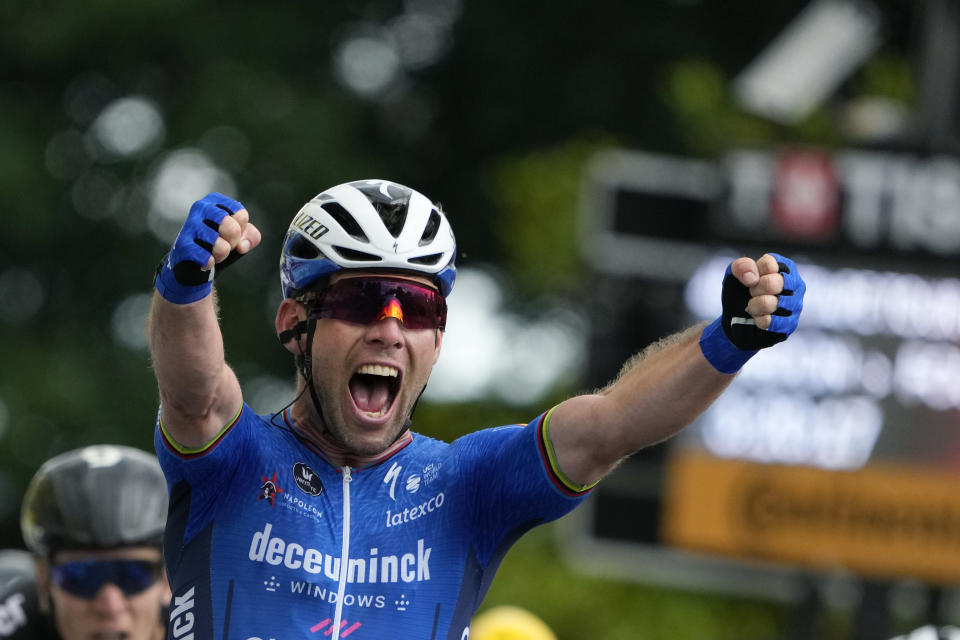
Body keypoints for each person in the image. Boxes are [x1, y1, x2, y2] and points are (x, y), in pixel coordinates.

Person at [147, 179, 805, 640]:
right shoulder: (234, 462)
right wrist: (186, 288)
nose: (390, 329)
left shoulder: (468, 483)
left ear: (439, 339)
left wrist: (727, 340)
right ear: (295, 322)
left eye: (420, 308)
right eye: (360, 302)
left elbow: (614, 424)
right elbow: (195, 392)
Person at [0, 444, 170, 640]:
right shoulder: (12, 621)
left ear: (167, 581)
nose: (110, 606)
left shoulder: (203, 622)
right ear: (44, 584)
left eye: (133, 576)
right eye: (82, 577)